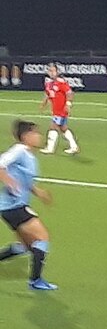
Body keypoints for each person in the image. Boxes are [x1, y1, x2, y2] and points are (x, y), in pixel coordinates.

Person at [0, 120, 57, 290]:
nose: (39, 137)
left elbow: (24, 180)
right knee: (42, 238)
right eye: (36, 133)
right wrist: (9, 181)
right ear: (26, 136)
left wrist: (37, 191)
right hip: (13, 206)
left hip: (12, 207)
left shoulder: (29, 156)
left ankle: (35, 279)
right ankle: (35, 280)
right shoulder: (19, 150)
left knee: (25, 246)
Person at [39, 63, 79, 155]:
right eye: (50, 71)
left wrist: (68, 104)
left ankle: (50, 148)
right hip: (55, 110)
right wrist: (43, 104)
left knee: (53, 127)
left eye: (53, 71)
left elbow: (69, 93)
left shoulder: (61, 82)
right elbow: (47, 94)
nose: (52, 73)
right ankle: (74, 146)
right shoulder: (49, 84)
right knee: (63, 128)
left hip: (61, 110)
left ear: (57, 72)